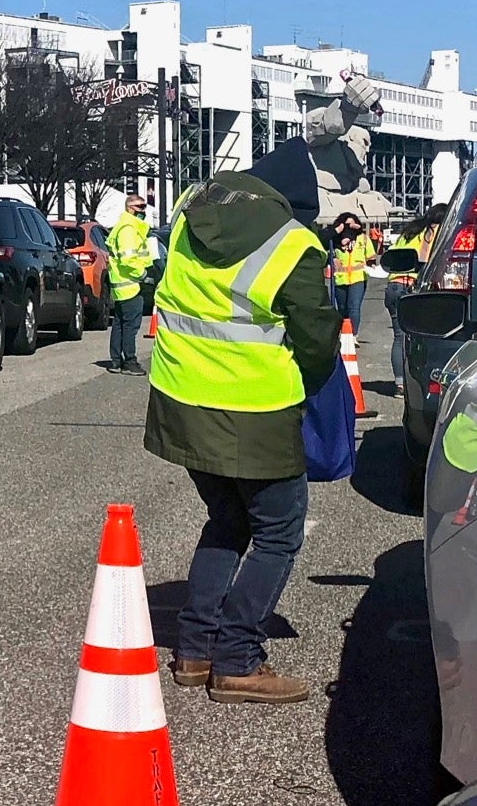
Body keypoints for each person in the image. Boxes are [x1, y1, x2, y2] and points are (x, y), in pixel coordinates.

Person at [145, 162, 338, 704]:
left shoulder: (189, 215)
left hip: (181, 395)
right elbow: (316, 338)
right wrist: (313, 387)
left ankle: (195, 648)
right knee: (278, 531)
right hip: (256, 407)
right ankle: (236, 659)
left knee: (226, 518)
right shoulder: (294, 244)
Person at [387, 203, 446, 390]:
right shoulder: (434, 232)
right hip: (412, 286)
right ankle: (422, 381)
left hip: (393, 285)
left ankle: (399, 383)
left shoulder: (409, 232)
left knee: (398, 337)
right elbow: (425, 258)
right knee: (422, 337)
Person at [105, 193, 153, 373]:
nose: (143, 210)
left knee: (119, 324)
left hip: (122, 285)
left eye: (144, 206)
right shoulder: (128, 229)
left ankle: (116, 361)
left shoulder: (124, 226)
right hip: (131, 284)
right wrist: (143, 275)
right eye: (140, 207)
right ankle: (129, 362)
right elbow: (128, 258)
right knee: (129, 326)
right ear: (129, 208)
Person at [329, 212, 376, 331]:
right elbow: (327, 254)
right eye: (346, 224)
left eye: (352, 224)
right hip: (340, 279)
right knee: (342, 308)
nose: (349, 227)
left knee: (354, 307)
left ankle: (354, 334)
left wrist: (372, 266)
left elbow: (371, 257)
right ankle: (343, 334)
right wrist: (332, 259)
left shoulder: (363, 239)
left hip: (358, 278)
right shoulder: (335, 240)